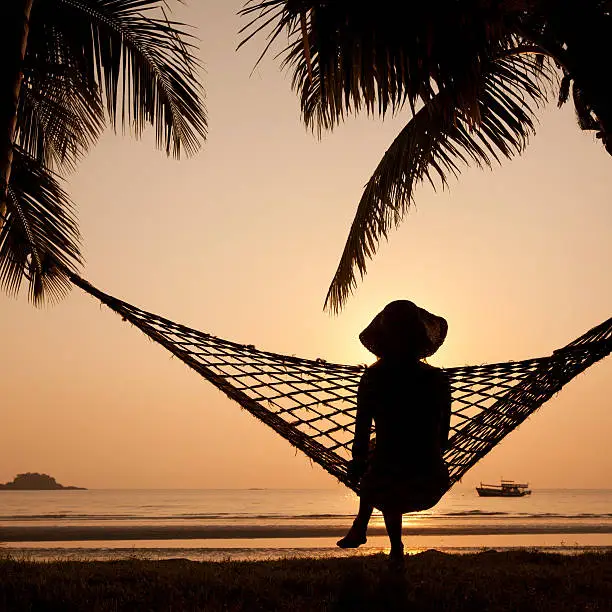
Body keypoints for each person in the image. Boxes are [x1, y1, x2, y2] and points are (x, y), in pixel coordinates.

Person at [336, 300, 452, 562]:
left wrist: (358, 459)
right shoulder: (437, 379)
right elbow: (444, 434)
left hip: (385, 477)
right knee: (385, 463)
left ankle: (370, 532)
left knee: (381, 463)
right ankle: (390, 546)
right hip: (430, 475)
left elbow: (362, 427)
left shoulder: (374, 378)